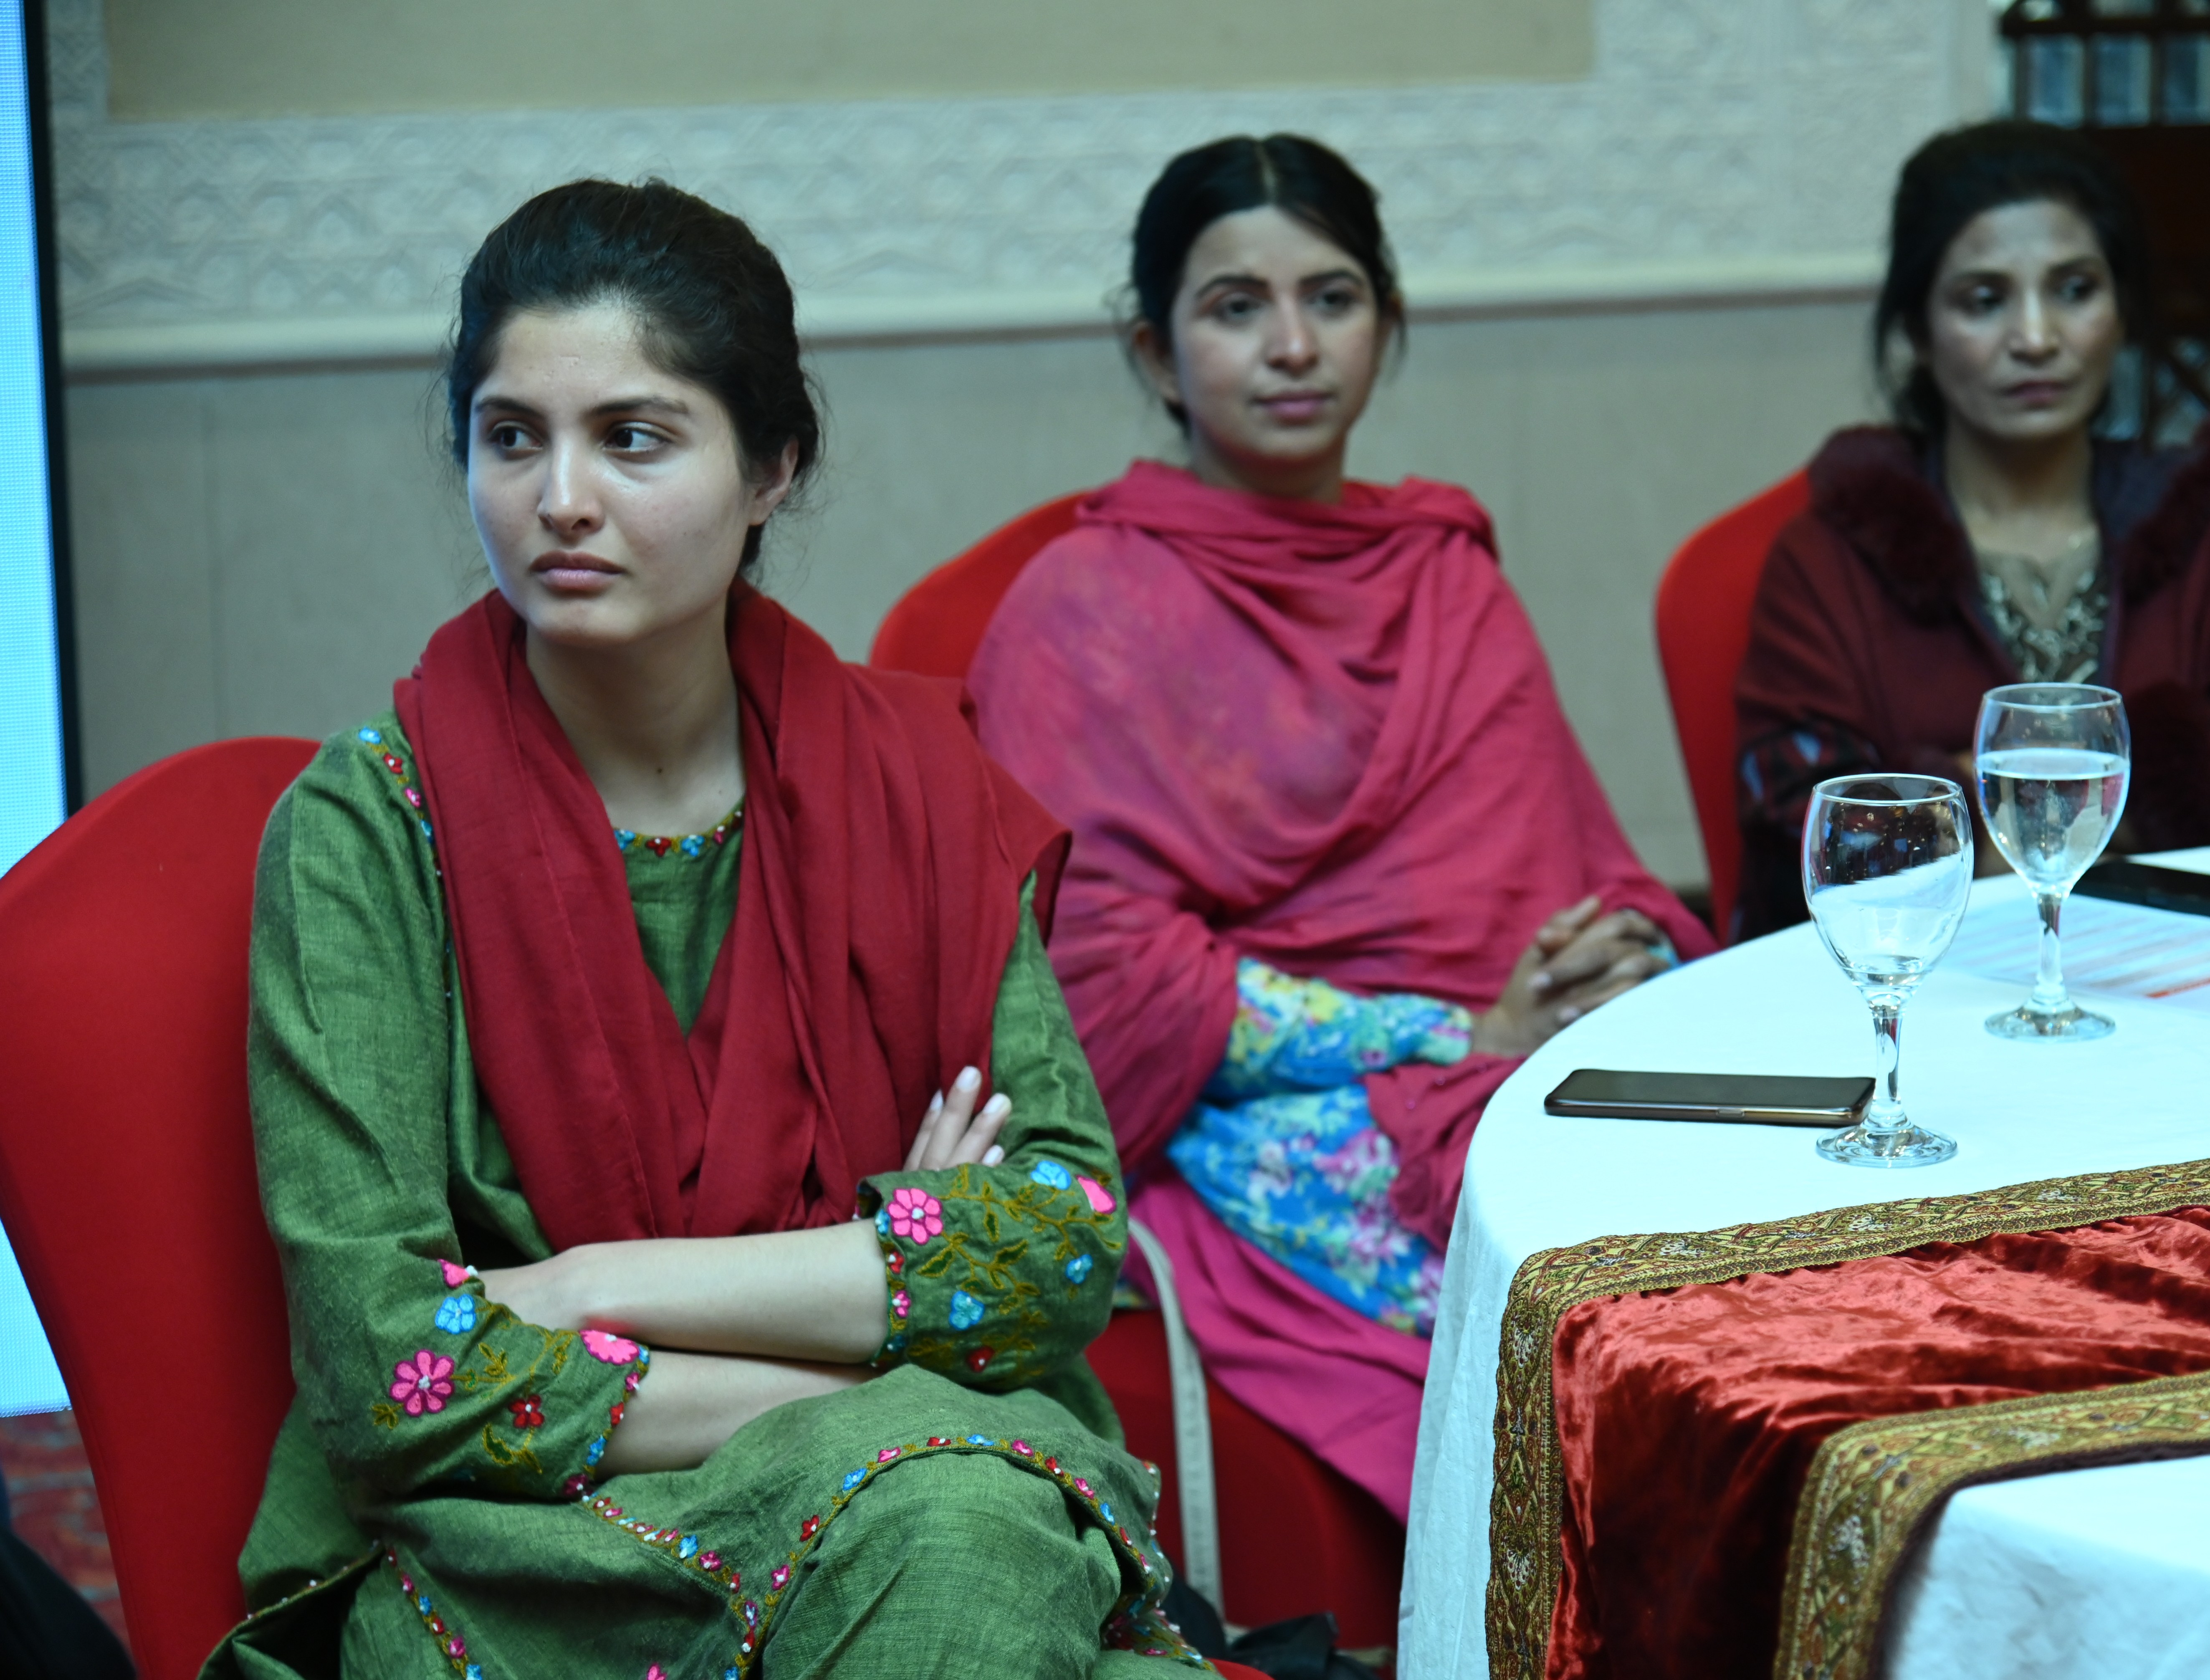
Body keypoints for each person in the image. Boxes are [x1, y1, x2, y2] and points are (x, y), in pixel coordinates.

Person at [212, 180, 1208, 1678]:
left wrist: (580, 1286)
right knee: (965, 1533)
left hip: (911, 1491)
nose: (558, 498)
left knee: (962, 1549)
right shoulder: (369, 831)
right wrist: (887, 1316)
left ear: (771, 468)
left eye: (631, 437)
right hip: (527, 1548)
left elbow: (1062, 1246)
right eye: (508, 436)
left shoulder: (912, 784)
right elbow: (388, 1367)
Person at [966, 135, 1715, 1521]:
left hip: (1513, 1047)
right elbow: (1102, 987)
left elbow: (1578, 858)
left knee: (1727, 1203)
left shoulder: (1440, 569)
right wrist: (1451, 1037)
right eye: (1233, 307)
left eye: (1331, 297)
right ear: (1152, 347)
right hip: (1256, 1105)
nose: (1291, 346)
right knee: (1565, 1311)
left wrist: (1600, 961)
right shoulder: (1078, 612)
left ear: (1387, 324)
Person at [1732, 121, 2210, 939]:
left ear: (2123, 309)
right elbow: (1801, 818)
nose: (2036, 339)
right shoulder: (1834, 555)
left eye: (2074, 289)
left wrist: (1993, 806)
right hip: (1931, 990)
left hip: (2195, 968)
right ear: (1920, 331)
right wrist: (2115, 797)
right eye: (1984, 300)